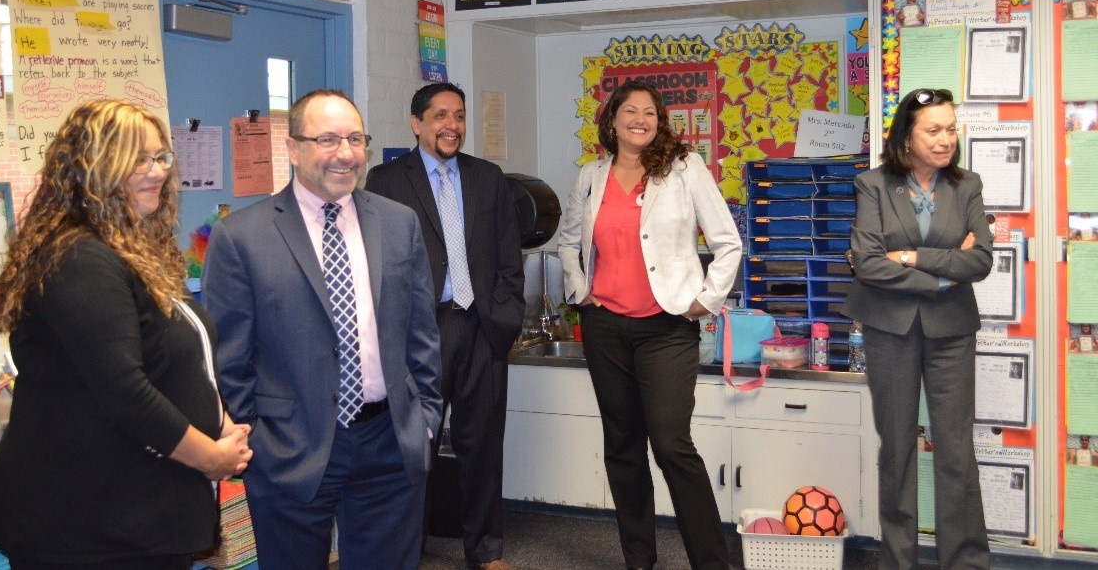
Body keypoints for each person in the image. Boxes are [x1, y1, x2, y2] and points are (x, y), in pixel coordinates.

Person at [0, 99, 252, 569]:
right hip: (89, 524)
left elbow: (179, 359)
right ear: (92, 169)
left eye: (160, 157)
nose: (155, 172)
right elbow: (124, 391)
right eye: (136, 160)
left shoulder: (135, 252)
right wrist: (210, 456)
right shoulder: (80, 258)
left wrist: (220, 421)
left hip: (140, 511)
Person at [202, 89, 441, 570]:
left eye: (355, 139)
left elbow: (422, 334)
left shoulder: (398, 224)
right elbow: (228, 357)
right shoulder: (241, 237)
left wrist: (426, 420)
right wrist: (263, 439)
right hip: (290, 447)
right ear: (293, 148)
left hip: (390, 441)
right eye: (327, 139)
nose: (345, 153)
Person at [557, 82, 742, 570]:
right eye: (630, 111)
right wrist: (580, 290)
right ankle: (639, 558)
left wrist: (706, 300)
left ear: (660, 122)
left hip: (666, 329)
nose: (641, 119)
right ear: (613, 118)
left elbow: (729, 243)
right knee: (621, 446)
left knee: (671, 444)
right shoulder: (591, 176)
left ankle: (711, 562)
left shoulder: (684, 170)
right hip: (605, 328)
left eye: (650, 113)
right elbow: (567, 242)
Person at [365, 82, 525, 570]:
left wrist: (507, 314)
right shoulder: (386, 180)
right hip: (421, 331)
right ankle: (407, 550)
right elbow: (377, 261)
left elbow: (507, 256)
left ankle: (486, 551)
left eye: (457, 116)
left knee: (482, 444)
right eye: (439, 116)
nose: (451, 125)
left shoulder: (488, 177)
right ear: (417, 123)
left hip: (481, 327)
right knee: (416, 446)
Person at [842, 87, 994, 569]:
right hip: (891, 329)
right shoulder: (873, 185)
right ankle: (897, 561)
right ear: (906, 136)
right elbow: (866, 263)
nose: (946, 138)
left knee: (954, 450)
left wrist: (910, 258)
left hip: (952, 331)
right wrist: (944, 274)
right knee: (898, 448)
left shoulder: (967, 185)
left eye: (951, 128)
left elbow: (981, 259)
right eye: (934, 129)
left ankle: (965, 561)